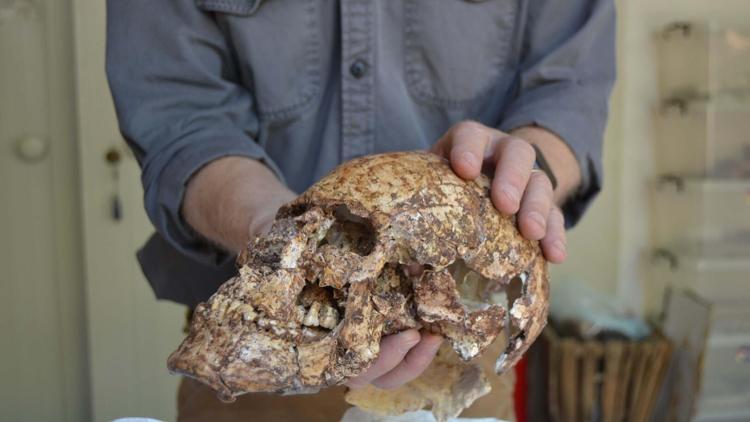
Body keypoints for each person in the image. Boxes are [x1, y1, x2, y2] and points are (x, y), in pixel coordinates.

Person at [106, 1, 615, 420]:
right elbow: (177, 110)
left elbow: (571, 87)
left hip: (455, 348)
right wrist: (279, 238)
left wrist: (520, 169)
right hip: (263, 334)